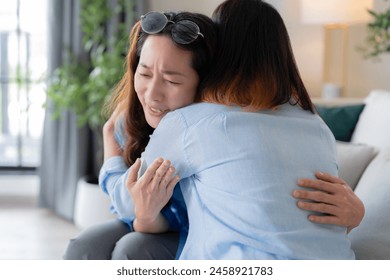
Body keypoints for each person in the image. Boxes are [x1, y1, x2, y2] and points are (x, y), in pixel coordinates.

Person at [64, 5, 364, 260]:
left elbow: (128, 203)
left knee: (130, 246)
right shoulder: (317, 125)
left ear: (215, 60)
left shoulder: (194, 122)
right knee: (91, 244)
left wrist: (111, 152)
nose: (152, 94)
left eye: (172, 79)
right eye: (143, 73)